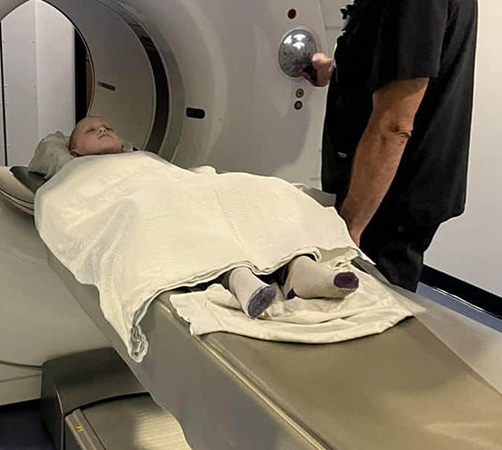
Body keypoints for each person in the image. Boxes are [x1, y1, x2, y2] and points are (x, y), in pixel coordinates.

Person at [283, 0, 478, 291]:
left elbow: (394, 123)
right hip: (390, 197)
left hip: (388, 204)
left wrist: (348, 228)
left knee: (368, 314)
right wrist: (335, 70)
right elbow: (402, 63)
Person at [67, 116, 360, 318]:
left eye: (107, 127)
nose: (102, 130)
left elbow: (174, 176)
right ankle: (237, 276)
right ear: (74, 152)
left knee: (253, 187)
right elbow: (82, 209)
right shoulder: (74, 174)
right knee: (161, 207)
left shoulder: (143, 157)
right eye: (91, 131)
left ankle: (299, 266)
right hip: (145, 195)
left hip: (180, 184)